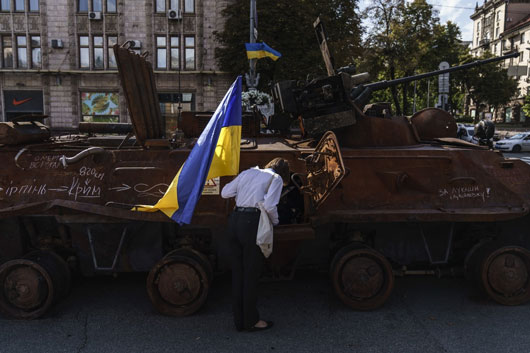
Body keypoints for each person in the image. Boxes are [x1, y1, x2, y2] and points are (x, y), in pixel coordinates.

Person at [221, 157, 290, 332]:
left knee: (238, 274)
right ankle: (251, 321)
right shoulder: (276, 179)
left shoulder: (248, 172)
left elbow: (225, 192)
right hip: (252, 224)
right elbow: (270, 206)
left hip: (234, 221)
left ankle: (239, 321)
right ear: (284, 173)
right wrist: (275, 222)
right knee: (250, 274)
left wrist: (245, 193)